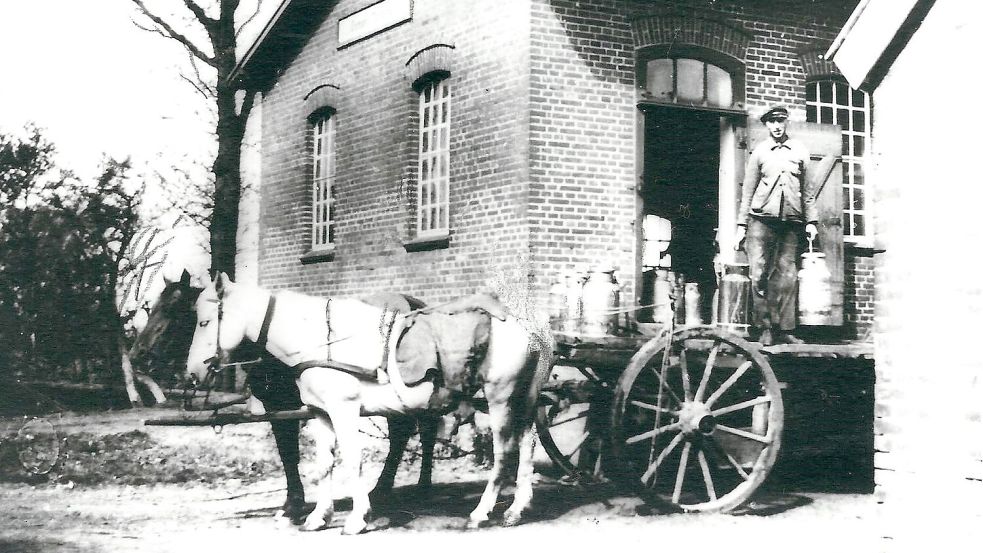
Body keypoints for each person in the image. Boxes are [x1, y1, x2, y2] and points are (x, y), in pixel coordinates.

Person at [735, 106, 818, 346]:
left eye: (781, 121)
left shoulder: (799, 151)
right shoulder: (760, 152)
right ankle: (764, 328)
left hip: (791, 221)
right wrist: (741, 224)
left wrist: (811, 221)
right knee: (759, 272)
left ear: (786, 122)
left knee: (787, 275)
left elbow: (808, 192)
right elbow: (748, 191)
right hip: (761, 220)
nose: (777, 126)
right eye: (772, 122)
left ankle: (786, 328)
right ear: (767, 125)